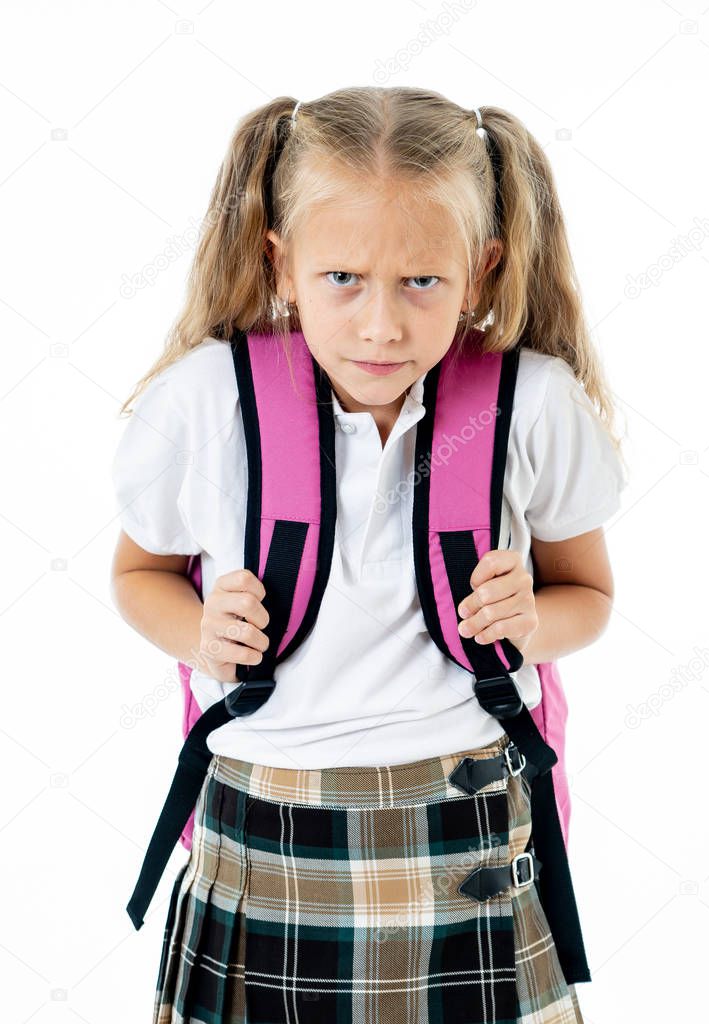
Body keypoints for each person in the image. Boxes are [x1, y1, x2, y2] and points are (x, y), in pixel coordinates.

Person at [111, 86, 627, 1024]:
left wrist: (531, 619)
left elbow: (586, 595)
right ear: (283, 263)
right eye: (342, 279)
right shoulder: (199, 403)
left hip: (467, 836)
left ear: (482, 269)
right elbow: (135, 575)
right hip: (257, 843)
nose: (381, 325)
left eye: (422, 282)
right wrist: (198, 629)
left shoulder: (537, 406)